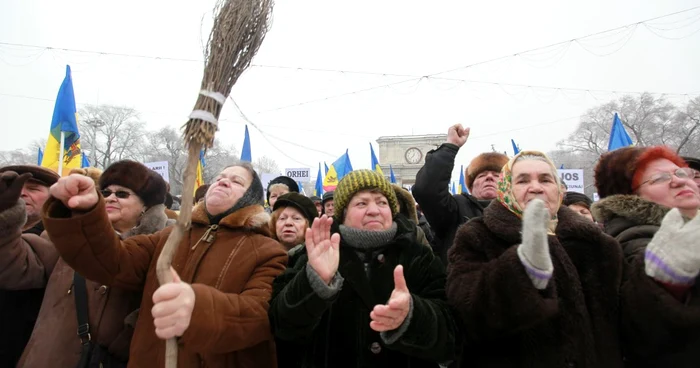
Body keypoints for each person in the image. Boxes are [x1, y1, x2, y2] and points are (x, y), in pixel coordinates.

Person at [43, 162, 287, 367]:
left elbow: (260, 315)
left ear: (251, 198)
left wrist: (198, 308)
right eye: (220, 177)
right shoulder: (169, 237)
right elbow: (112, 262)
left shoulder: (268, 251)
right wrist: (86, 213)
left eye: (236, 181)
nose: (223, 181)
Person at [446, 151, 624, 367]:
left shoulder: (599, 244)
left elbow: (627, 324)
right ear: (506, 190)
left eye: (545, 179)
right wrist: (522, 269)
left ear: (559, 190)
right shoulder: (476, 235)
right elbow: (467, 310)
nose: (536, 187)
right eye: (522, 180)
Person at [270, 170, 457, 368]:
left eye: (382, 202)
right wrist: (314, 282)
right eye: (362, 203)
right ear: (343, 213)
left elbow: (452, 336)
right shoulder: (314, 253)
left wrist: (413, 316)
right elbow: (282, 326)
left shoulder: (418, 256)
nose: (374, 210)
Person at [1, 160, 171, 367]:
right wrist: (6, 219)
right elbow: (16, 268)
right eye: (105, 192)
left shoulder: (164, 247)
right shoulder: (69, 235)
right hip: (50, 357)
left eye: (122, 194)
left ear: (147, 205)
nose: (110, 198)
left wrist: (127, 337)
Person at [592, 146, 700, 367]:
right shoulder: (635, 243)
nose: (679, 181)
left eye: (680, 172)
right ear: (629, 197)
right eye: (659, 178)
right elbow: (654, 323)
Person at [413, 124, 508, 263]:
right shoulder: (456, 209)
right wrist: (451, 146)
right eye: (481, 175)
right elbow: (427, 190)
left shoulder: (519, 212)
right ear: (471, 185)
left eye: (496, 174)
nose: (489, 177)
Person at [0, 164, 59, 367]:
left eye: (33, 189)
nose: (21, 194)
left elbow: (17, 269)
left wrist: (6, 219)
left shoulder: (60, 238)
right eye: (12, 188)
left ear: (54, 199)